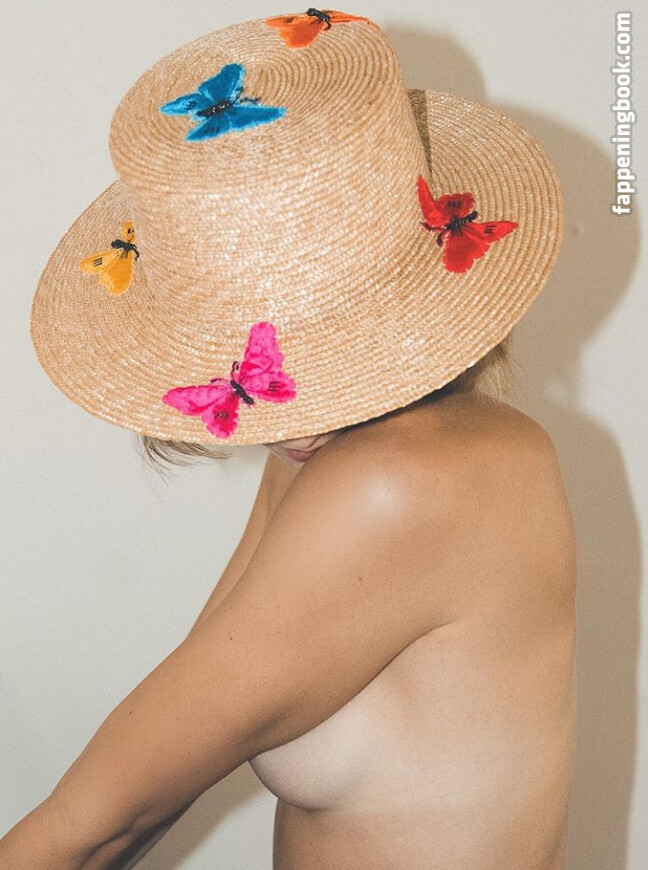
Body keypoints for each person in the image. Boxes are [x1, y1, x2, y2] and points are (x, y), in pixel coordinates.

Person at [1, 9, 576, 870]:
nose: (288, 421)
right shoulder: (358, 451)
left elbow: (93, 825)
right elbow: (154, 777)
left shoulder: (394, 483)